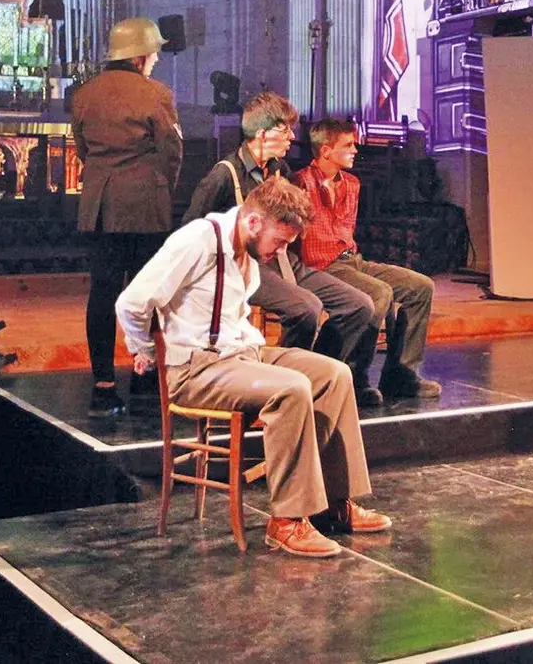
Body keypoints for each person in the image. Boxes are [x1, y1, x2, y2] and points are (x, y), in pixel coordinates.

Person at [115, 178, 392, 558]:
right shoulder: (198, 239)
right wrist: (144, 349)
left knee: (334, 376)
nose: (280, 251)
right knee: (291, 388)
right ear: (254, 222)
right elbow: (131, 303)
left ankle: (333, 504)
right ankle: (287, 522)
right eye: (279, 242)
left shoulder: (246, 251)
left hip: (241, 355)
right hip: (198, 368)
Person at [182, 91, 379, 402]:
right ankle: (279, 385)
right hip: (244, 269)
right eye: (285, 129)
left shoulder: (279, 171)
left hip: (285, 262)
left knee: (360, 305)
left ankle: (317, 374)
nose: (292, 136)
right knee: (306, 308)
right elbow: (190, 231)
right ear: (262, 134)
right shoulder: (224, 175)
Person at [71, 17, 182, 417]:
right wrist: (159, 187)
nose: (154, 60)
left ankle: (102, 386)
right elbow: (171, 151)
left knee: (101, 293)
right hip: (145, 207)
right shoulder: (156, 94)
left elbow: (83, 149)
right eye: (152, 53)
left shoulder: (84, 94)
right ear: (139, 56)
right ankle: (144, 376)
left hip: (99, 207)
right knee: (147, 293)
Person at [293, 119, 441, 400]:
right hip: (321, 265)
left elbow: (345, 232)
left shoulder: (352, 184)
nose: (355, 151)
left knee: (420, 287)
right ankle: (355, 376)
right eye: (347, 145)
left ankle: (401, 374)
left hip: (351, 260)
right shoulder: (301, 182)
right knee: (377, 293)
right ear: (325, 151)